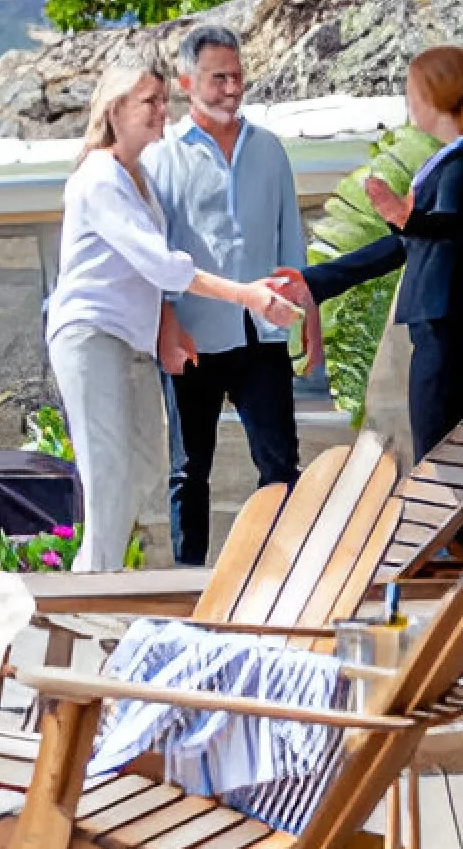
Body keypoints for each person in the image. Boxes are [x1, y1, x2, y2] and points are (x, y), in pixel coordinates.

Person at [46, 61, 301, 573]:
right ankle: (94, 593)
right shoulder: (99, 178)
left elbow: (153, 271)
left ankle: (98, 580)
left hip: (128, 341)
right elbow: (162, 265)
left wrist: (169, 326)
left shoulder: (136, 177)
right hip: (90, 336)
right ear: (115, 108)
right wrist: (247, 296)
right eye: (149, 100)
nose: (163, 110)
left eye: (165, 99)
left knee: (141, 467)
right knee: (108, 472)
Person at [271, 46, 463, 460]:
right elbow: (406, 245)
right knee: (441, 468)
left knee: (440, 471)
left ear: (434, 97)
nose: (408, 103)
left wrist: (405, 217)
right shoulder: (452, 160)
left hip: (457, 337)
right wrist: (315, 281)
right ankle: (457, 528)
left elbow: (455, 231)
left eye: (412, 92)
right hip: (444, 335)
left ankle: (453, 529)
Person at [145, 26, 308, 565]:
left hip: (261, 337)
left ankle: (279, 578)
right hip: (194, 336)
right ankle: (187, 587)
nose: (232, 88)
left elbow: (292, 246)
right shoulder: (162, 159)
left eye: (237, 76)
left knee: (281, 465)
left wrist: (309, 327)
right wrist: (167, 327)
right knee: (190, 471)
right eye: (219, 78)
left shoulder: (270, 151)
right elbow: (156, 256)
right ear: (188, 82)